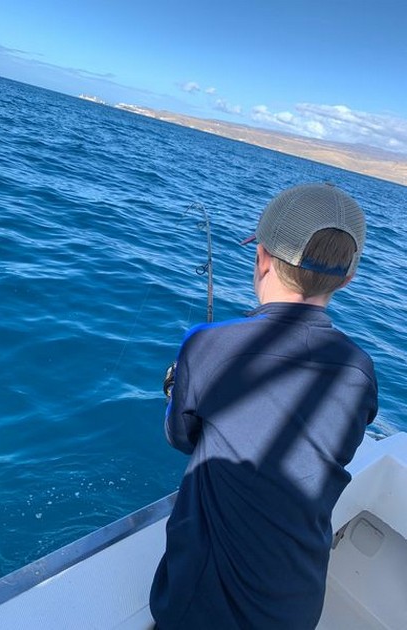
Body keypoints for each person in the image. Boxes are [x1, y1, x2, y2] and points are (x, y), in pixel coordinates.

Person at [149, 183, 378, 630]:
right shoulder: (360, 370)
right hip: (297, 604)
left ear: (263, 259)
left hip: (202, 607)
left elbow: (180, 438)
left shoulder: (207, 344)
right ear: (347, 279)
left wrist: (179, 384)